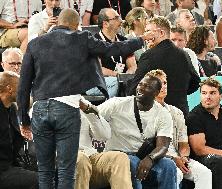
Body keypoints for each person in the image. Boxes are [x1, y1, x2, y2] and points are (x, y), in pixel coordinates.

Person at [17, 8, 157, 189]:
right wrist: (141, 40)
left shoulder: (35, 44)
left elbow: (23, 84)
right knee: (68, 171)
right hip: (66, 106)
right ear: (77, 25)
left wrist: (23, 119)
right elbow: (112, 48)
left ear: (58, 22)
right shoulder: (81, 38)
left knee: (45, 172)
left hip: (40, 107)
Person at [82, 75, 177, 189]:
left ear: (156, 93)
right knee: (132, 163)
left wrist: (150, 158)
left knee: (169, 165)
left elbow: (163, 146)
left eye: (147, 86)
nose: (141, 88)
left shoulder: (163, 113)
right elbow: (93, 117)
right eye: (140, 84)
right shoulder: (117, 103)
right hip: (118, 154)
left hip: (145, 155)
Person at [127, 16, 200, 126]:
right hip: (181, 115)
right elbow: (195, 83)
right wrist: (178, 93)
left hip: (156, 117)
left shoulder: (148, 56)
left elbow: (135, 89)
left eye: (148, 32)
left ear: (161, 33)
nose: (146, 36)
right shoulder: (184, 54)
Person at [146, 69, 212, 189]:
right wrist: (173, 159)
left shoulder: (176, 112)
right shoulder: (145, 113)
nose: (163, 86)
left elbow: (183, 144)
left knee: (205, 173)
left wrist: (184, 157)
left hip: (179, 158)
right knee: (177, 173)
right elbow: (149, 147)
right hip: (158, 159)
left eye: (165, 83)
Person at [75, 109, 133, 189]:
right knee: (80, 158)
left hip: (90, 157)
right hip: (64, 161)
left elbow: (104, 136)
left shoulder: (84, 105)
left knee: (119, 157)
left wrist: (89, 112)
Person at [86, 8, 137, 98]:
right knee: (115, 83)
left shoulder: (124, 40)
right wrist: (118, 76)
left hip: (120, 80)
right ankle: (110, 109)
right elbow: (98, 68)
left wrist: (127, 77)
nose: (121, 21)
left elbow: (132, 65)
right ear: (105, 24)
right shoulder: (94, 42)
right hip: (99, 81)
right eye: (116, 18)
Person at [0, 71, 38, 189]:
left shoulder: (11, 108)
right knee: (41, 180)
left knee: (50, 171)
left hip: (12, 164)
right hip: (2, 170)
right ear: (9, 89)